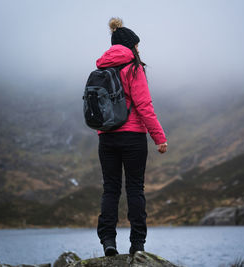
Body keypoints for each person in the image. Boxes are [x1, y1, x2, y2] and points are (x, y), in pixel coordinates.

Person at [95, 17, 168, 256]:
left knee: (110, 189)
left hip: (106, 137)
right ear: (129, 45)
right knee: (135, 189)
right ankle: (137, 245)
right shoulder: (133, 67)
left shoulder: (101, 68)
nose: (138, 49)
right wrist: (159, 137)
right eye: (136, 45)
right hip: (133, 136)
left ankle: (108, 241)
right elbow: (144, 105)